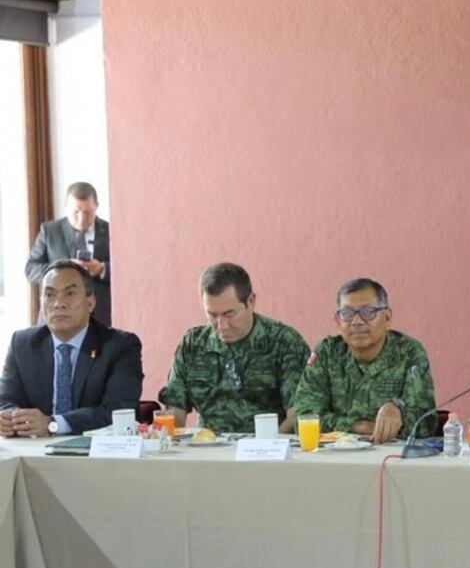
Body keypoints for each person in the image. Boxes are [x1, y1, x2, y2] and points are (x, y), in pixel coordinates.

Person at [159, 263, 310, 434]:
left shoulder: (284, 343)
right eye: (212, 315)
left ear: (251, 302)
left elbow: (298, 413)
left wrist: (267, 444)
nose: (221, 325)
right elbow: (174, 411)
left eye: (229, 314)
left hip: (268, 444)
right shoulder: (193, 345)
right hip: (209, 444)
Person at [0, 261, 142, 436]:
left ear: (90, 303)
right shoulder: (22, 344)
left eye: (70, 293)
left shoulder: (120, 346)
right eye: (49, 295)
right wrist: (10, 418)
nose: (58, 303)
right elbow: (5, 400)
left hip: (94, 450)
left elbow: (117, 410)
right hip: (33, 447)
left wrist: (53, 424)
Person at [292, 278, 436, 444]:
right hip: (335, 454)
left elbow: (426, 422)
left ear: (387, 317)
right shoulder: (327, 353)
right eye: (347, 313)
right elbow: (303, 417)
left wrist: (398, 412)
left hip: (390, 454)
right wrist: (358, 427)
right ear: (338, 321)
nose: (357, 321)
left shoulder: (408, 353)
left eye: (368, 312)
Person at [25, 182, 113, 326]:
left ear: (96, 207)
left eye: (87, 212)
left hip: (100, 316)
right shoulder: (50, 231)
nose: (82, 219)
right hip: (57, 313)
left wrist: (102, 269)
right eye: (76, 212)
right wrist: (62, 268)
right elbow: (31, 269)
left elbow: (126, 269)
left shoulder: (110, 230)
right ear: (66, 207)